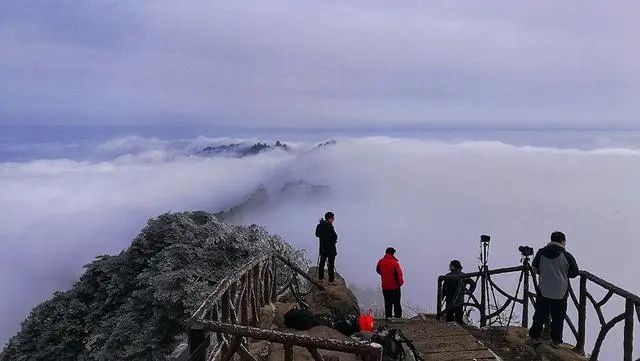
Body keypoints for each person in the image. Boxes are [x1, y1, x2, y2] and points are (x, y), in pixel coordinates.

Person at [528, 231, 579, 347]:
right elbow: (574, 272)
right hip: (561, 291)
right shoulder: (567, 256)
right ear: (562, 241)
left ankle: (534, 336)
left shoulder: (541, 253)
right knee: (558, 317)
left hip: (544, 289)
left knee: (540, 314)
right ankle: (556, 341)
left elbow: (535, 268)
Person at [442, 260, 476, 325]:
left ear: (453, 266)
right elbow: (473, 284)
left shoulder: (447, 276)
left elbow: (444, 289)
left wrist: (442, 298)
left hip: (449, 301)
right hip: (460, 301)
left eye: (450, 265)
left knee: (449, 320)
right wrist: (469, 292)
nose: (449, 266)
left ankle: (450, 332)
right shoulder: (464, 276)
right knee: (459, 319)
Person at [376, 247, 404, 319]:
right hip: (395, 287)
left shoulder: (380, 261)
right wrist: (400, 284)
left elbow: (378, 270)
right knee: (396, 303)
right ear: (392, 253)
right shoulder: (394, 263)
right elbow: (399, 275)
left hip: (385, 287)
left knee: (387, 303)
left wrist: (384, 275)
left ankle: (388, 318)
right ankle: (398, 318)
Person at [315, 211, 338, 284]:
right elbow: (334, 237)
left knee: (322, 263)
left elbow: (317, 234)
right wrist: (333, 241)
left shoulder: (320, 225)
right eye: (332, 218)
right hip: (330, 248)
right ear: (329, 218)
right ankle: (331, 281)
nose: (333, 219)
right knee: (330, 264)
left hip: (322, 247)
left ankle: (320, 278)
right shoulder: (329, 226)